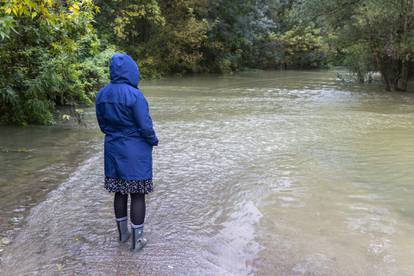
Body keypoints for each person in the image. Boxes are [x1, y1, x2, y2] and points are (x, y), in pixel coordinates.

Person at [95, 53, 158, 252]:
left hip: (113, 149)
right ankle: (137, 241)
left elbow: (103, 125)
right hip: (135, 151)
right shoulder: (135, 95)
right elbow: (145, 126)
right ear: (132, 71)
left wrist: (116, 135)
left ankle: (123, 235)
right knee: (138, 194)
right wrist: (153, 140)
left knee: (120, 191)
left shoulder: (102, 94)